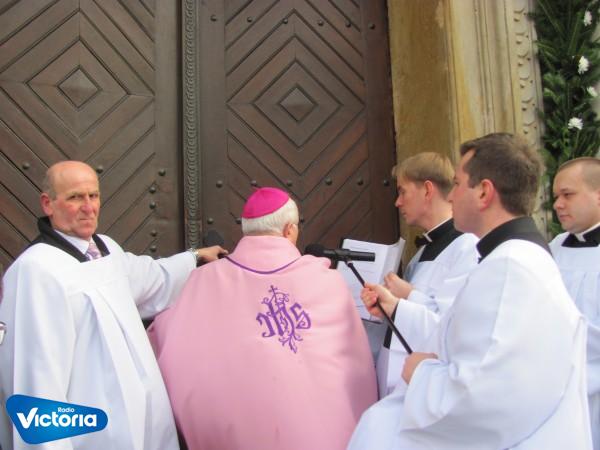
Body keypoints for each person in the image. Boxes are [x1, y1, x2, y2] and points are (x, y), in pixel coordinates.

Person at [349, 133, 592, 449]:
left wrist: (420, 371)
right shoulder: (509, 259)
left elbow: (483, 399)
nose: (451, 196)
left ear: (484, 192)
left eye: (457, 184)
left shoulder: (510, 267)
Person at [0, 161, 225, 450]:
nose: (88, 207)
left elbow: (151, 278)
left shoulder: (105, 249)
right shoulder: (36, 271)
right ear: (48, 204)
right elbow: (36, 380)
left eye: (93, 196)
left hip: (148, 429)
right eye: (75, 197)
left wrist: (195, 257)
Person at [148, 187, 377, 450]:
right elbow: (351, 360)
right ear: (289, 230)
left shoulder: (204, 279)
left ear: (247, 229)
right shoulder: (326, 281)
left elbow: (173, 341)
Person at [367, 152, 479, 397]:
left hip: (430, 383)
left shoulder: (467, 247)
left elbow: (451, 326)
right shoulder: (421, 253)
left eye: (403, 191)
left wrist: (407, 295)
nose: (397, 202)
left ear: (427, 190)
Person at [550, 157, 600, 450]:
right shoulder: (554, 247)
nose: (558, 204)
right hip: (556, 387)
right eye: (556, 196)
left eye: (567, 194)